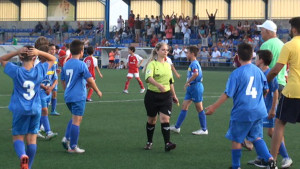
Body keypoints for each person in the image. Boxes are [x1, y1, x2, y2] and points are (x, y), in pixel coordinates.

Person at [205, 42, 277, 169]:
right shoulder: (259, 72)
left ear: (237, 56)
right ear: (252, 56)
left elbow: (228, 94)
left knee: (237, 139)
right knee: (257, 137)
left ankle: (236, 166)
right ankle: (270, 160)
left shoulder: (236, 73)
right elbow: (266, 89)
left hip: (243, 111)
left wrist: (213, 107)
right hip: (259, 110)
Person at [0, 46, 56, 169]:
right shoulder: (39, 70)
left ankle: (22, 156)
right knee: (32, 139)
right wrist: (39, 52)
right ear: (35, 58)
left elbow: (2, 59)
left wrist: (16, 52)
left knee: (18, 137)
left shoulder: (16, 71)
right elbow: (53, 59)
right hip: (35, 109)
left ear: (20, 57)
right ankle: (28, 166)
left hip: (20, 109)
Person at [246, 50, 292, 168]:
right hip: (260, 108)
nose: (255, 60)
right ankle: (262, 158)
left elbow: (275, 92)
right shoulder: (259, 72)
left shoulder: (269, 74)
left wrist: (272, 109)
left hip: (268, 108)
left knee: (271, 132)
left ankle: (286, 157)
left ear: (261, 60)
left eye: (256, 58)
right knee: (257, 132)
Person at [267, 17, 300, 168]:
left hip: (293, 91)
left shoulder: (289, 45)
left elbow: (276, 69)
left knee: (279, 123)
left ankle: (272, 160)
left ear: (293, 29)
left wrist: (265, 81)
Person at [61, 40, 102, 153]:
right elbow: (90, 80)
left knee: (76, 118)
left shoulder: (66, 64)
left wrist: (66, 91)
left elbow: (63, 80)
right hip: (78, 96)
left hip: (68, 96)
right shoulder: (81, 64)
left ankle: (67, 138)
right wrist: (97, 90)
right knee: (76, 120)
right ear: (81, 51)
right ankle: (73, 147)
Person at [143, 42, 179, 151]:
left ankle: (167, 143)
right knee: (152, 120)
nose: (165, 52)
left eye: (167, 50)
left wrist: (174, 95)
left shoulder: (168, 65)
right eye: (163, 50)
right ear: (157, 51)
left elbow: (170, 82)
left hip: (166, 96)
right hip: (152, 96)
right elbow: (148, 78)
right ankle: (149, 142)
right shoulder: (152, 64)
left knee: (165, 119)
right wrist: (158, 85)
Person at [170, 46, 207, 135]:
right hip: (192, 88)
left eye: (187, 52)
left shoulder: (194, 63)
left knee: (199, 108)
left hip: (196, 87)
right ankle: (177, 127)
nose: (186, 54)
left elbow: (196, 74)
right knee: (184, 106)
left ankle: (204, 129)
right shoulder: (192, 63)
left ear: (192, 54)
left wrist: (187, 82)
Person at [258, 20, 286, 98]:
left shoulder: (266, 45)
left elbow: (260, 65)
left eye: (262, 30)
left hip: (269, 82)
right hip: (281, 83)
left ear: (267, 31)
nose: (261, 33)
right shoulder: (282, 44)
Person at [37, 45, 58, 139]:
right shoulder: (38, 67)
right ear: (40, 55)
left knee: (44, 112)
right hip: (41, 92)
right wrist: (45, 87)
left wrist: (51, 88)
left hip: (48, 92)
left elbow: (55, 79)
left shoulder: (52, 66)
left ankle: (36, 130)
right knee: (44, 111)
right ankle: (48, 132)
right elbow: (36, 81)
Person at [49, 44, 60, 116]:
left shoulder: (56, 59)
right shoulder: (46, 58)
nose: (53, 51)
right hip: (47, 79)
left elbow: (55, 68)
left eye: (54, 49)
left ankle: (53, 110)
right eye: (52, 49)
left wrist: (57, 71)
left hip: (54, 78)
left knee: (54, 93)